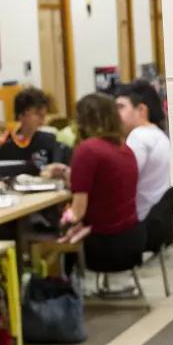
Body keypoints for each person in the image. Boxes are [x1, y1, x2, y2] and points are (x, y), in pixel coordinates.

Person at [60, 93, 145, 274]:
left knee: (46, 232)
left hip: (105, 248)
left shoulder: (87, 149)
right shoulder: (125, 148)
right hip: (131, 240)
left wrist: (63, 218)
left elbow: (76, 213)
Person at [115, 80, 172, 247]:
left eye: (120, 107)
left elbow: (122, 180)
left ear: (141, 109)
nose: (115, 114)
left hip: (140, 225)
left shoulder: (139, 137)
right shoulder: (158, 135)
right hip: (157, 222)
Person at [0, 86, 63, 174]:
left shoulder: (49, 139)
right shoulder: (5, 143)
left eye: (44, 115)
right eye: (37, 114)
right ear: (21, 114)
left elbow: (57, 166)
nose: (42, 119)